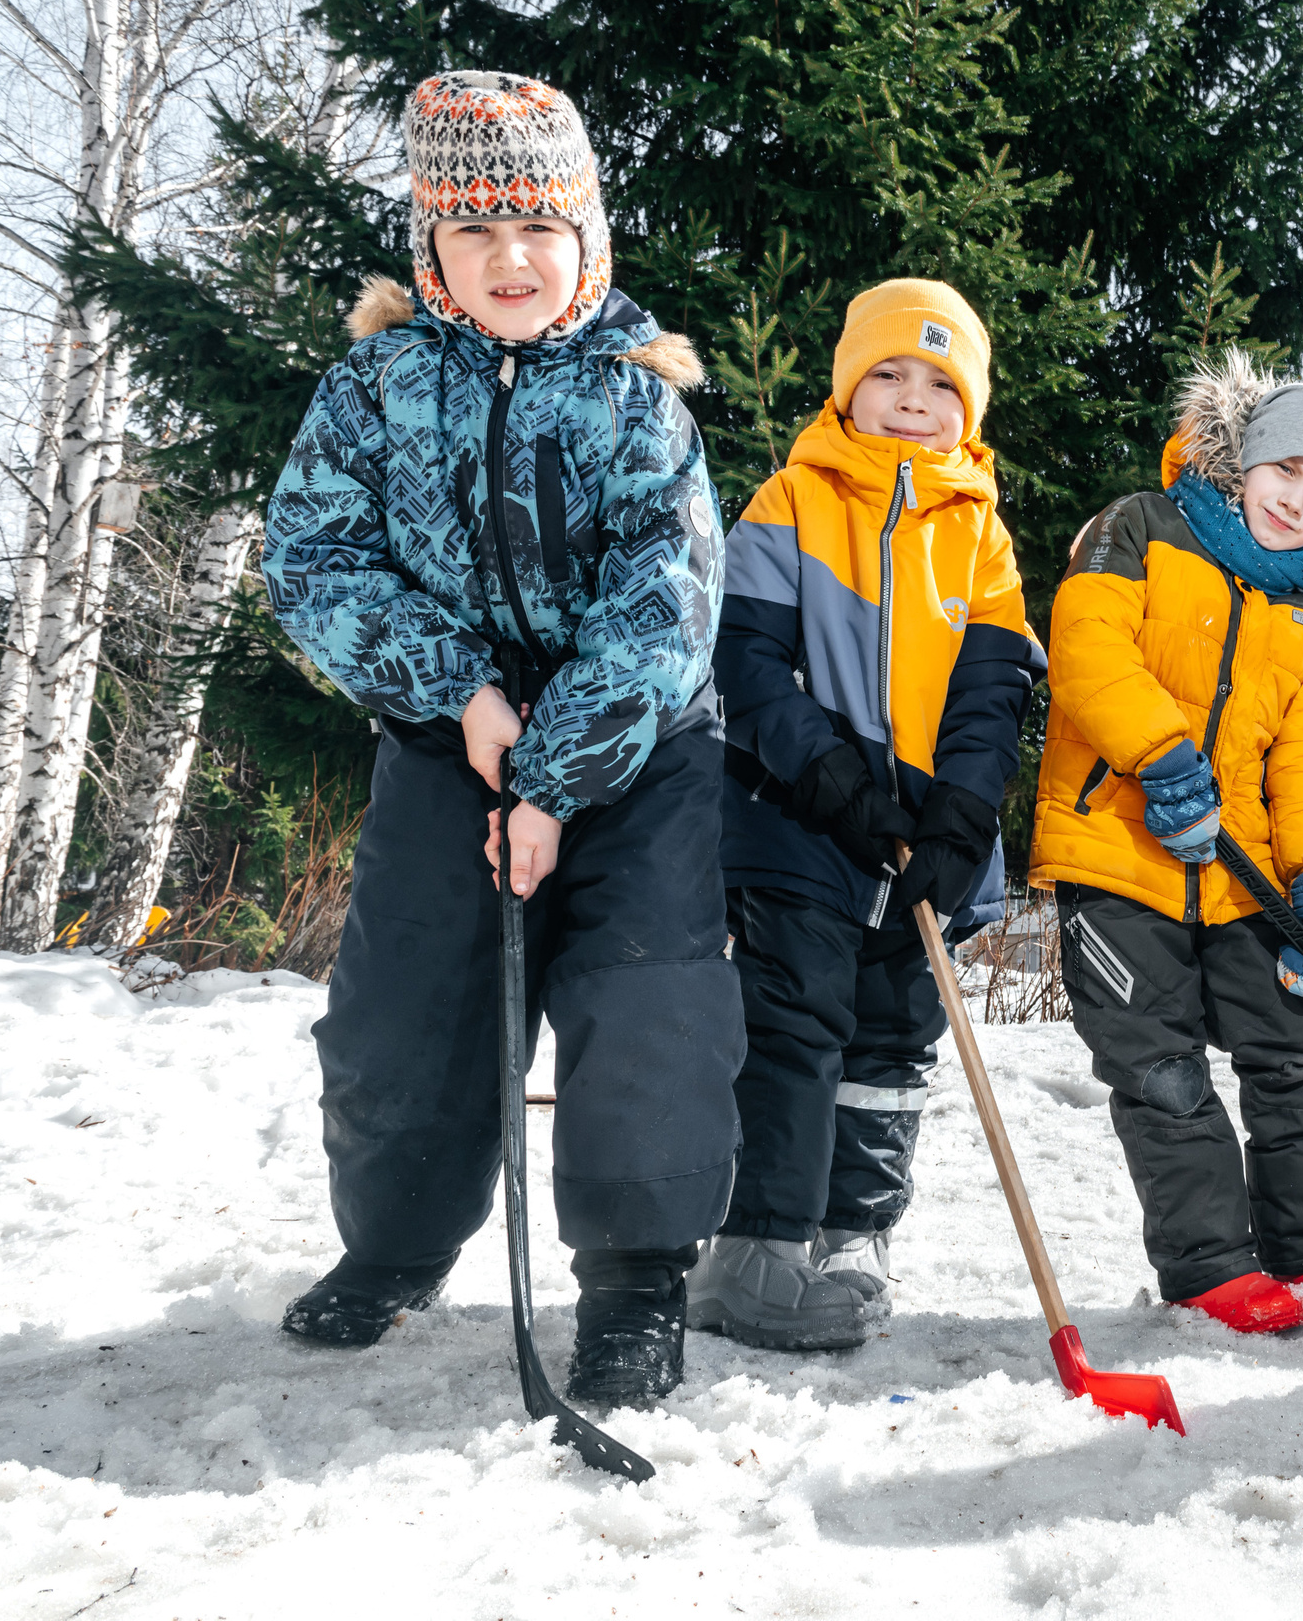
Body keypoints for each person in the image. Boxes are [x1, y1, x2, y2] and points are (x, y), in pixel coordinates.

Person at [263, 70, 740, 1406]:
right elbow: (314, 563)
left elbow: (665, 607)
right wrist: (463, 696)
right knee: (404, 1007)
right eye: (473, 233)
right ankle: (398, 1248)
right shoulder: (375, 389)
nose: (509, 259)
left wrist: (551, 776)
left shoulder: (638, 398)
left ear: (586, 238)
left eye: (537, 228)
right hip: (446, 730)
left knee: (642, 996)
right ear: (432, 250)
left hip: (630, 742)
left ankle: (638, 1283)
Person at [690, 278, 1043, 1351]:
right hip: (799, 816)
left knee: (893, 1042)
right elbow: (743, 661)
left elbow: (993, 693)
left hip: (921, 834)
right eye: (887, 373)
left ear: (966, 409)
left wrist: (962, 814)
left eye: (938, 383)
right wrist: (831, 776)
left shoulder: (980, 535)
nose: (909, 397)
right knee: (793, 1024)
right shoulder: (792, 500)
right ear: (849, 386)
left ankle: (853, 1238)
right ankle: (757, 1246)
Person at [1031, 350, 1303, 1334]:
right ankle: (1208, 1268)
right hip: (1121, 854)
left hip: (1240, 881)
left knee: (1296, 1056)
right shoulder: (1137, 529)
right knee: (1160, 1071)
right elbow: (1086, 645)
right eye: (1287, 470)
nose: (1297, 500)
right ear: (1243, 461)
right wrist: (1159, 755)